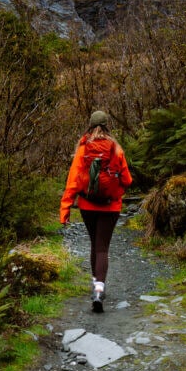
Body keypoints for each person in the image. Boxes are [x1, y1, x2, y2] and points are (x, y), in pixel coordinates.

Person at [60, 110, 132, 312]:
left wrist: (65, 209)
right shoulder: (115, 148)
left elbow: (73, 180)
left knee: (94, 244)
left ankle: (95, 284)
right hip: (110, 206)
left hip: (87, 205)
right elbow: (127, 180)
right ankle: (99, 289)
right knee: (103, 247)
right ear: (107, 126)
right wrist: (116, 189)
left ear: (90, 126)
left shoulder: (83, 147)